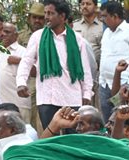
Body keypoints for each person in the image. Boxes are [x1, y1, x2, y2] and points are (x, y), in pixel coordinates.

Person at [17, 0, 93, 130]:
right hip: (47, 98)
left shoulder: (77, 39)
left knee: (71, 138)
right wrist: (21, 83)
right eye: (45, 13)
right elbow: (26, 61)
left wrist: (87, 93)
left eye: (50, 13)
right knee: (51, 139)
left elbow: (85, 69)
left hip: (71, 97)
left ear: (62, 16)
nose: (46, 17)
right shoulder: (38, 37)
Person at [98, 1, 129, 119]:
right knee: (108, 120)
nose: (102, 19)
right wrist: (101, 80)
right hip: (105, 85)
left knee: (123, 119)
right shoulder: (106, 33)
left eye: (105, 16)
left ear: (115, 16)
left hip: (124, 85)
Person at [0, 23, 31, 122]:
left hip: (19, 105)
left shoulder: (24, 52)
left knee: (22, 135)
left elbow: (36, 71)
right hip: (0, 106)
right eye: (2, 31)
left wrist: (20, 61)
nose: (3, 34)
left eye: (7, 32)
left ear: (16, 36)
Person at [72, 0, 103, 69]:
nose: (84, 6)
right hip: (77, 69)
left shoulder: (102, 27)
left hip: (97, 70)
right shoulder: (74, 26)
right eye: (82, 4)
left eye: (88, 4)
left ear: (95, 7)